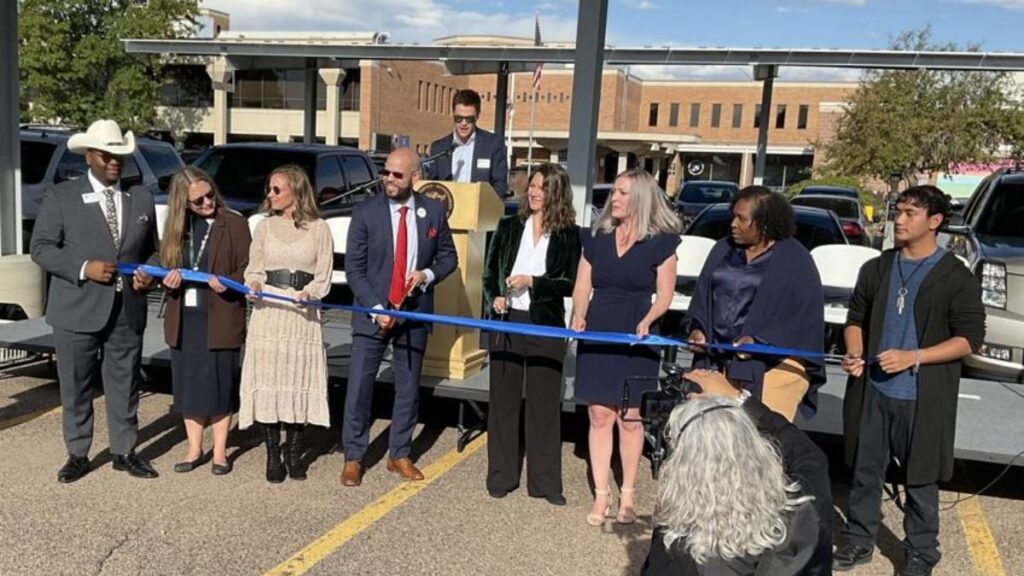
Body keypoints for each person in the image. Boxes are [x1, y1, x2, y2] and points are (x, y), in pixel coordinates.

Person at [834, 185, 985, 576]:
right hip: (874, 391)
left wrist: (913, 357)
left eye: (910, 213)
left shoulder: (955, 276)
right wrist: (855, 352)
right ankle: (858, 541)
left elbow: (969, 338)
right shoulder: (878, 267)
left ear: (934, 222)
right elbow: (855, 319)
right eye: (898, 211)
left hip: (922, 396)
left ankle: (921, 551)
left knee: (920, 480)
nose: (899, 220)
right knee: (865, 472)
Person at [30, 119, 159, 482]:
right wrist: (85, 267)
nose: (116, 162)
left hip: (127, 308)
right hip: (76, 308)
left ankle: (124, 450)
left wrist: (149, 270)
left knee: (125, 382)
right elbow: (40, 249)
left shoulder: (142, 197)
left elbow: (154, 251)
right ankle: (78, 452)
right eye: (107, 155)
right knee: (76, 385)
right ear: (89, 157)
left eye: (121, 155)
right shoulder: (62, 197)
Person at [341, 147, 458, 487]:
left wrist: (426, 274)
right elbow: (354, 270)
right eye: (385, 173)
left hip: (414, 313)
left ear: (414, 177)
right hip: (372, 312)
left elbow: (449, 258)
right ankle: (353, 457)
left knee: (408, 389)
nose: (388, 180)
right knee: (360, 387)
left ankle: (399, 454)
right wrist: (377, 309)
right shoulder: (365, 213)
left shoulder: (433, 212)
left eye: (396, 175)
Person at [642, 369, 832, 576]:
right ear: (758, 448)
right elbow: (809, 455)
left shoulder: (676, 553)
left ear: (682, 469)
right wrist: (739, 399)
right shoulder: (805, 508)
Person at [571, 168, 681, 526]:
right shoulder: (596, 238)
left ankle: (628, 494)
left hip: (638, 333)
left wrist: (649, 319)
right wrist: (579, 314)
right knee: (599, 415)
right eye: (613, 192)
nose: (613, 198)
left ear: (641, 199)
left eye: (621, 193)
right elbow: (582, 286)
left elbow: (665, 296)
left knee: (630, 419)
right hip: (600, 329)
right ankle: (602, 495)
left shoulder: (662, 243)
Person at [482, 163, 581, 505]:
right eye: (534, 185)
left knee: (543, 407)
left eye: (543, 187)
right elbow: (489, 272)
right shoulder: (509, 225)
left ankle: (545, 483)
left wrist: (533, 282)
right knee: (504, 405)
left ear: (557, 194)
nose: (535, 191)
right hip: (508, 321)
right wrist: (494, 294)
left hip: (545, 325)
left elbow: (569, 283)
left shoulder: (569, 234)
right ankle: (501, 476)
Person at [687, 185, 825, 423]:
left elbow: (804, 317)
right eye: (733, 216)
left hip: (773, 368)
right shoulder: (722, 250)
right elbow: (702, 298)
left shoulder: (795, 259)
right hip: (719, 363)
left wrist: (760, 341)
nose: (733, 224)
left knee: (762, 441)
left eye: (742, 219)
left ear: (764, 224)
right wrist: (698, 329)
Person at [239, 165, 333, 483]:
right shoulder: (263, 228)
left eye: (276, 189)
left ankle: (294, 451)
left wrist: (311, 293)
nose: (270, 194)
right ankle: (271, 453)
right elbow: (253, 269)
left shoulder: (319, 228)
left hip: (301, 315)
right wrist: (252, 286)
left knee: (297, 380)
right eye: (269, 189)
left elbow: (324, 275)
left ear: (295, 190)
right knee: (271, 380)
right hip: (269, 313)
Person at [159, 167, 251, 476]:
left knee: (220, 384)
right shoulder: (176, 229)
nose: (207, 203)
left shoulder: (235, 224)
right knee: (188, 387)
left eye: (209, 194)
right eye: (198, 201)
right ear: (183, 204)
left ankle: (220, 452)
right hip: (185, 319)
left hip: (221, 315)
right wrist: (167, 280)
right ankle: (194, 448)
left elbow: (249, 269)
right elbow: (163, 266)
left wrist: (230, 282)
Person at [423, 89, 509, 197]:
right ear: (453, 115)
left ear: (477, 116)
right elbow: (431, 186)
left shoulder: (493, 144)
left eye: (469, 119)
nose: (463, 123)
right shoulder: (439, 148)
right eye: (459, 118)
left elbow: (500, 185)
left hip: (478, 209)